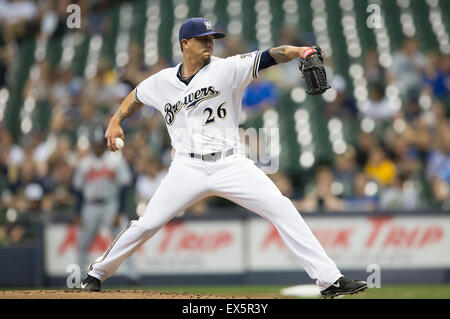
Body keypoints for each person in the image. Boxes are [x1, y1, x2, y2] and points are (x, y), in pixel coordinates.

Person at [81, 17, 367, 298]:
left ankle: (330, 280)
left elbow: (271, 56)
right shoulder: (162, 81)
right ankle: (97, 273)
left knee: (282, 207)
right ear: (185, 43)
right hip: (187, 166)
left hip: (231, 163)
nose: (210, 44)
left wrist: (300, 51)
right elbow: (136, 95)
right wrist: (115, 120)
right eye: (203, 39)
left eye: (212, 39)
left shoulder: (228, 68)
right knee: (147, 223)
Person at [73, 128, 139, 284]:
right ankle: (81, 276)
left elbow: (125, 187)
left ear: (104, 145)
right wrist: (78, 212)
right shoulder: (84, 163)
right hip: (89, 207)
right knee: (83, 242)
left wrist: (119, 211)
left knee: (124, 240)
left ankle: (133, 276)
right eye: (95, 144)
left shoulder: (115, 160)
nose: (97, 147)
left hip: (111, 205)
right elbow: (78, 191)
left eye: (99, 144)